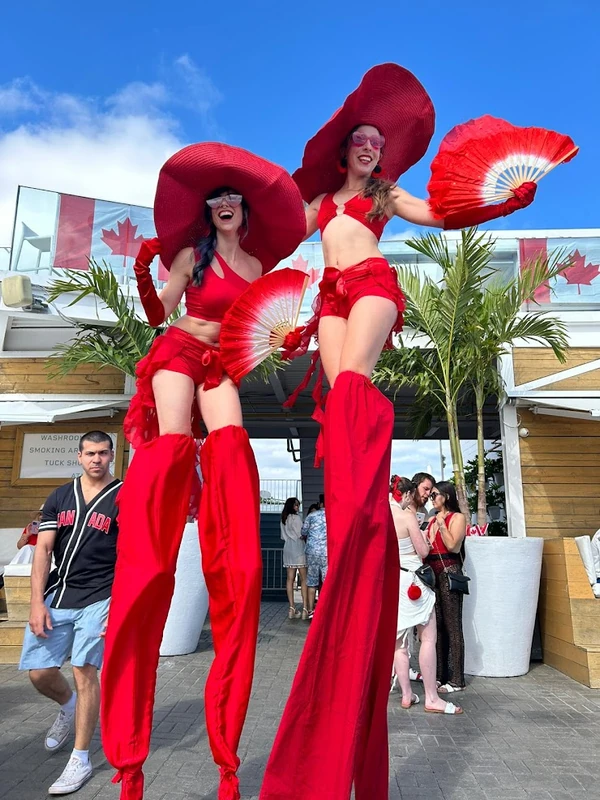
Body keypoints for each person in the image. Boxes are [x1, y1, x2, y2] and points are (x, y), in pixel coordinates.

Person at [100, 143, 305, 800]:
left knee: (233, 442)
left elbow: (262, 330)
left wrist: (289, 340)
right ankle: (154, 536)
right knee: (169, 453)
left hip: (221, 367)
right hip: (178, 350)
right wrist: (141, 278)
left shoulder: (260, 264)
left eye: (232, 198)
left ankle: (233, 546)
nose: (223, 205)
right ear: (208, 209)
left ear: (245, 210)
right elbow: (160, 314)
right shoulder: (196, 256)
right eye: (215, 198)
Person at [19, 431, 120, 796]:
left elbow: (129, 557)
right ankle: (68, 706)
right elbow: (43, 550)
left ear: (112, 456)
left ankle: (80, 758)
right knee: (40, 673)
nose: (97, 459)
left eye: (103, 453)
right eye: (90, 453)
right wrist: (35, 603)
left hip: (101, 596)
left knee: (83, 669)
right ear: (79, 456)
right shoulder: (60, 496)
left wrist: (118, 607)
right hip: (59, 593)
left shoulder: (123, 496)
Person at [389, 476, 463, 715]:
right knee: (428, 637)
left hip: (395, 580)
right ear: (408, 494)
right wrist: (427, 541)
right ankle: (432, 697)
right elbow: (422, 551)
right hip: (412, 579)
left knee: (399, 643)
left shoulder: (385, 514)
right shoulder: (408, 516)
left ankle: (407, 694)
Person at [425, 480, 468, 694]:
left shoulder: (457, 517)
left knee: (453, 625)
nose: (432, 499)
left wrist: (441, 524)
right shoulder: (432, 519)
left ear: (446, 496)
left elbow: (453, 545)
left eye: (435, 495)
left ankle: (457, 678)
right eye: (430, 495)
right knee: (437, 626)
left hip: (449, 568)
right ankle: (441, 675)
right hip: (432, 571)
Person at [280, 497, 308, 620]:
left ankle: (291, 607)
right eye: (296, 505)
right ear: (293, 506)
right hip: (298, 547)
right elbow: (301, 534)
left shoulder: (283, 519)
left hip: (288, 548)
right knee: (304, 578)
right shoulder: (297, 518)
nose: (298, 507)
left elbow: (283, 536)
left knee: (290, 579)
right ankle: (305, 608)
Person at [301, 493, 327, 619]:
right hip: (327, 553)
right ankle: (325, 610)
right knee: (326, 582)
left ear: (320, 503)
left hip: (312, 552)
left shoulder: (312, 516)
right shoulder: (333, 516)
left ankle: (311, 610)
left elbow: (303, 531)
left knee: (312, 581)